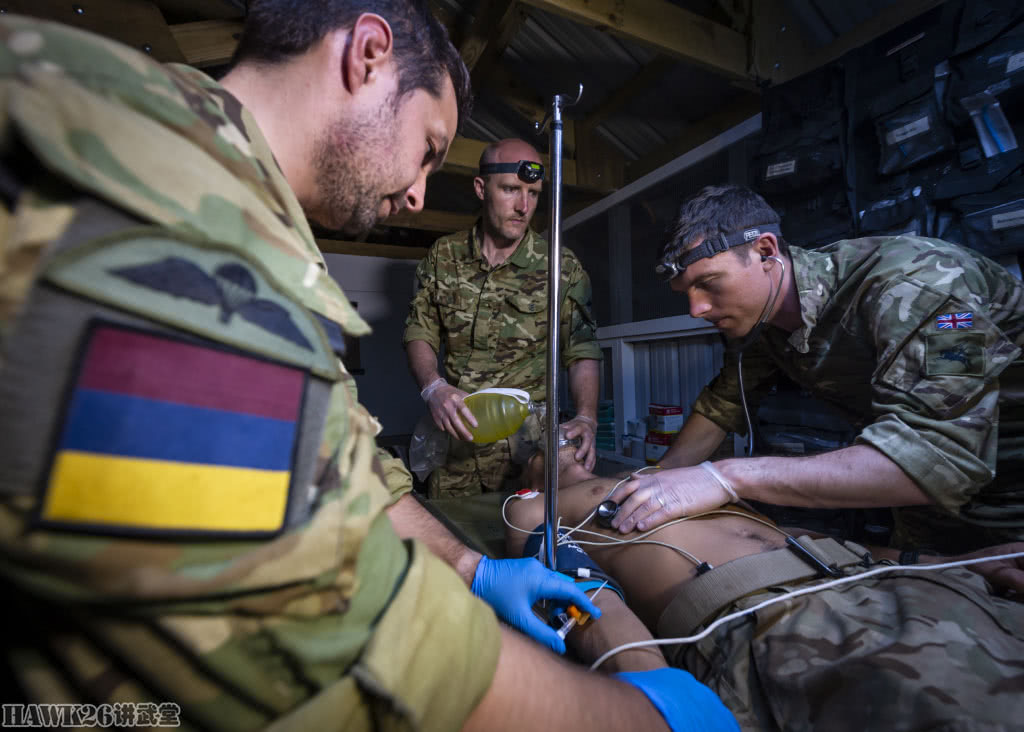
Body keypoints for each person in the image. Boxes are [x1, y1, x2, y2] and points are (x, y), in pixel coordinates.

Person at [0, 7, 738, 731]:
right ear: (368, 54)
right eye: (427, 146)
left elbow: (341, 455)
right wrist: (631, 716)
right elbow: (322, 633)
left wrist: (471, 570)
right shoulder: (166, 201)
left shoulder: (232, 205)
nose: (419, 191)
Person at [611, 184, 1024, 554]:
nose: (696, 309)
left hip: (1008, 499)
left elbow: (938, 459)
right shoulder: (760, 323)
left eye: (710, 284)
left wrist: (723, 478)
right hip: (921, 508)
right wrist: (655, 483)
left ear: (766, 251)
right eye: (686, 293)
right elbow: (723, 405)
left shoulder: (921, 286)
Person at [506, 445, 1024, 731]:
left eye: (573, 438)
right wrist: (642, 674)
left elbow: (799, 538)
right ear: (530, 471)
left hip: (879, 580)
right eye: (549, 446)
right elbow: (567, 584)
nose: (569, 443)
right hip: (782, 618)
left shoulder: (676, 478)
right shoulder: (540, 505)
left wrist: (953, 563)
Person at [403, 138, 602, 497]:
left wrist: (587, 416)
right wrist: (433, 387)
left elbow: (582, 347)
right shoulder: (443, 255)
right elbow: (420, 329)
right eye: (511, 189)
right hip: (457, 446)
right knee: (453, 540)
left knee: (527, 541)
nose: (524, 206)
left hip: (529, 455)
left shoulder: (560, 265)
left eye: (534, 193)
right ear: (481, 188)